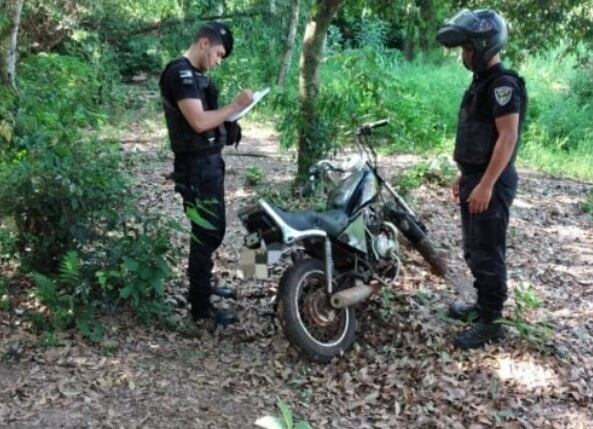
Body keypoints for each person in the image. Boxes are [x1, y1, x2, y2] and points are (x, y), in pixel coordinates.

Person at [436, 9, 528, 349]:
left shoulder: (503, 85)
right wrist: (466, 177)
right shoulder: (482, 84)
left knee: (488, 252)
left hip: (493, 181)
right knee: (475, 250)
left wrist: (486, 184)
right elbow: (480, 136)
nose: (464, 55)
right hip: (476, 177)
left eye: (467, 49)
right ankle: (482, 305)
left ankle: (492, 323)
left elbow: (507, 138)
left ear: (484, 45)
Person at [159, 22, 253, 327]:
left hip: (209, 165)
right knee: (205, 234)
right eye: (218, 53)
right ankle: (200, 309)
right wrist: (234, 106)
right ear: (203, 44)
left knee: (213, 231)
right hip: (196, 169)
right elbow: (198, 122)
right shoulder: (180, 73)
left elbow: (208, 120)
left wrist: (230, 122)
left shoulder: (197, 76)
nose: (218, 60)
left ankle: (204, 287)